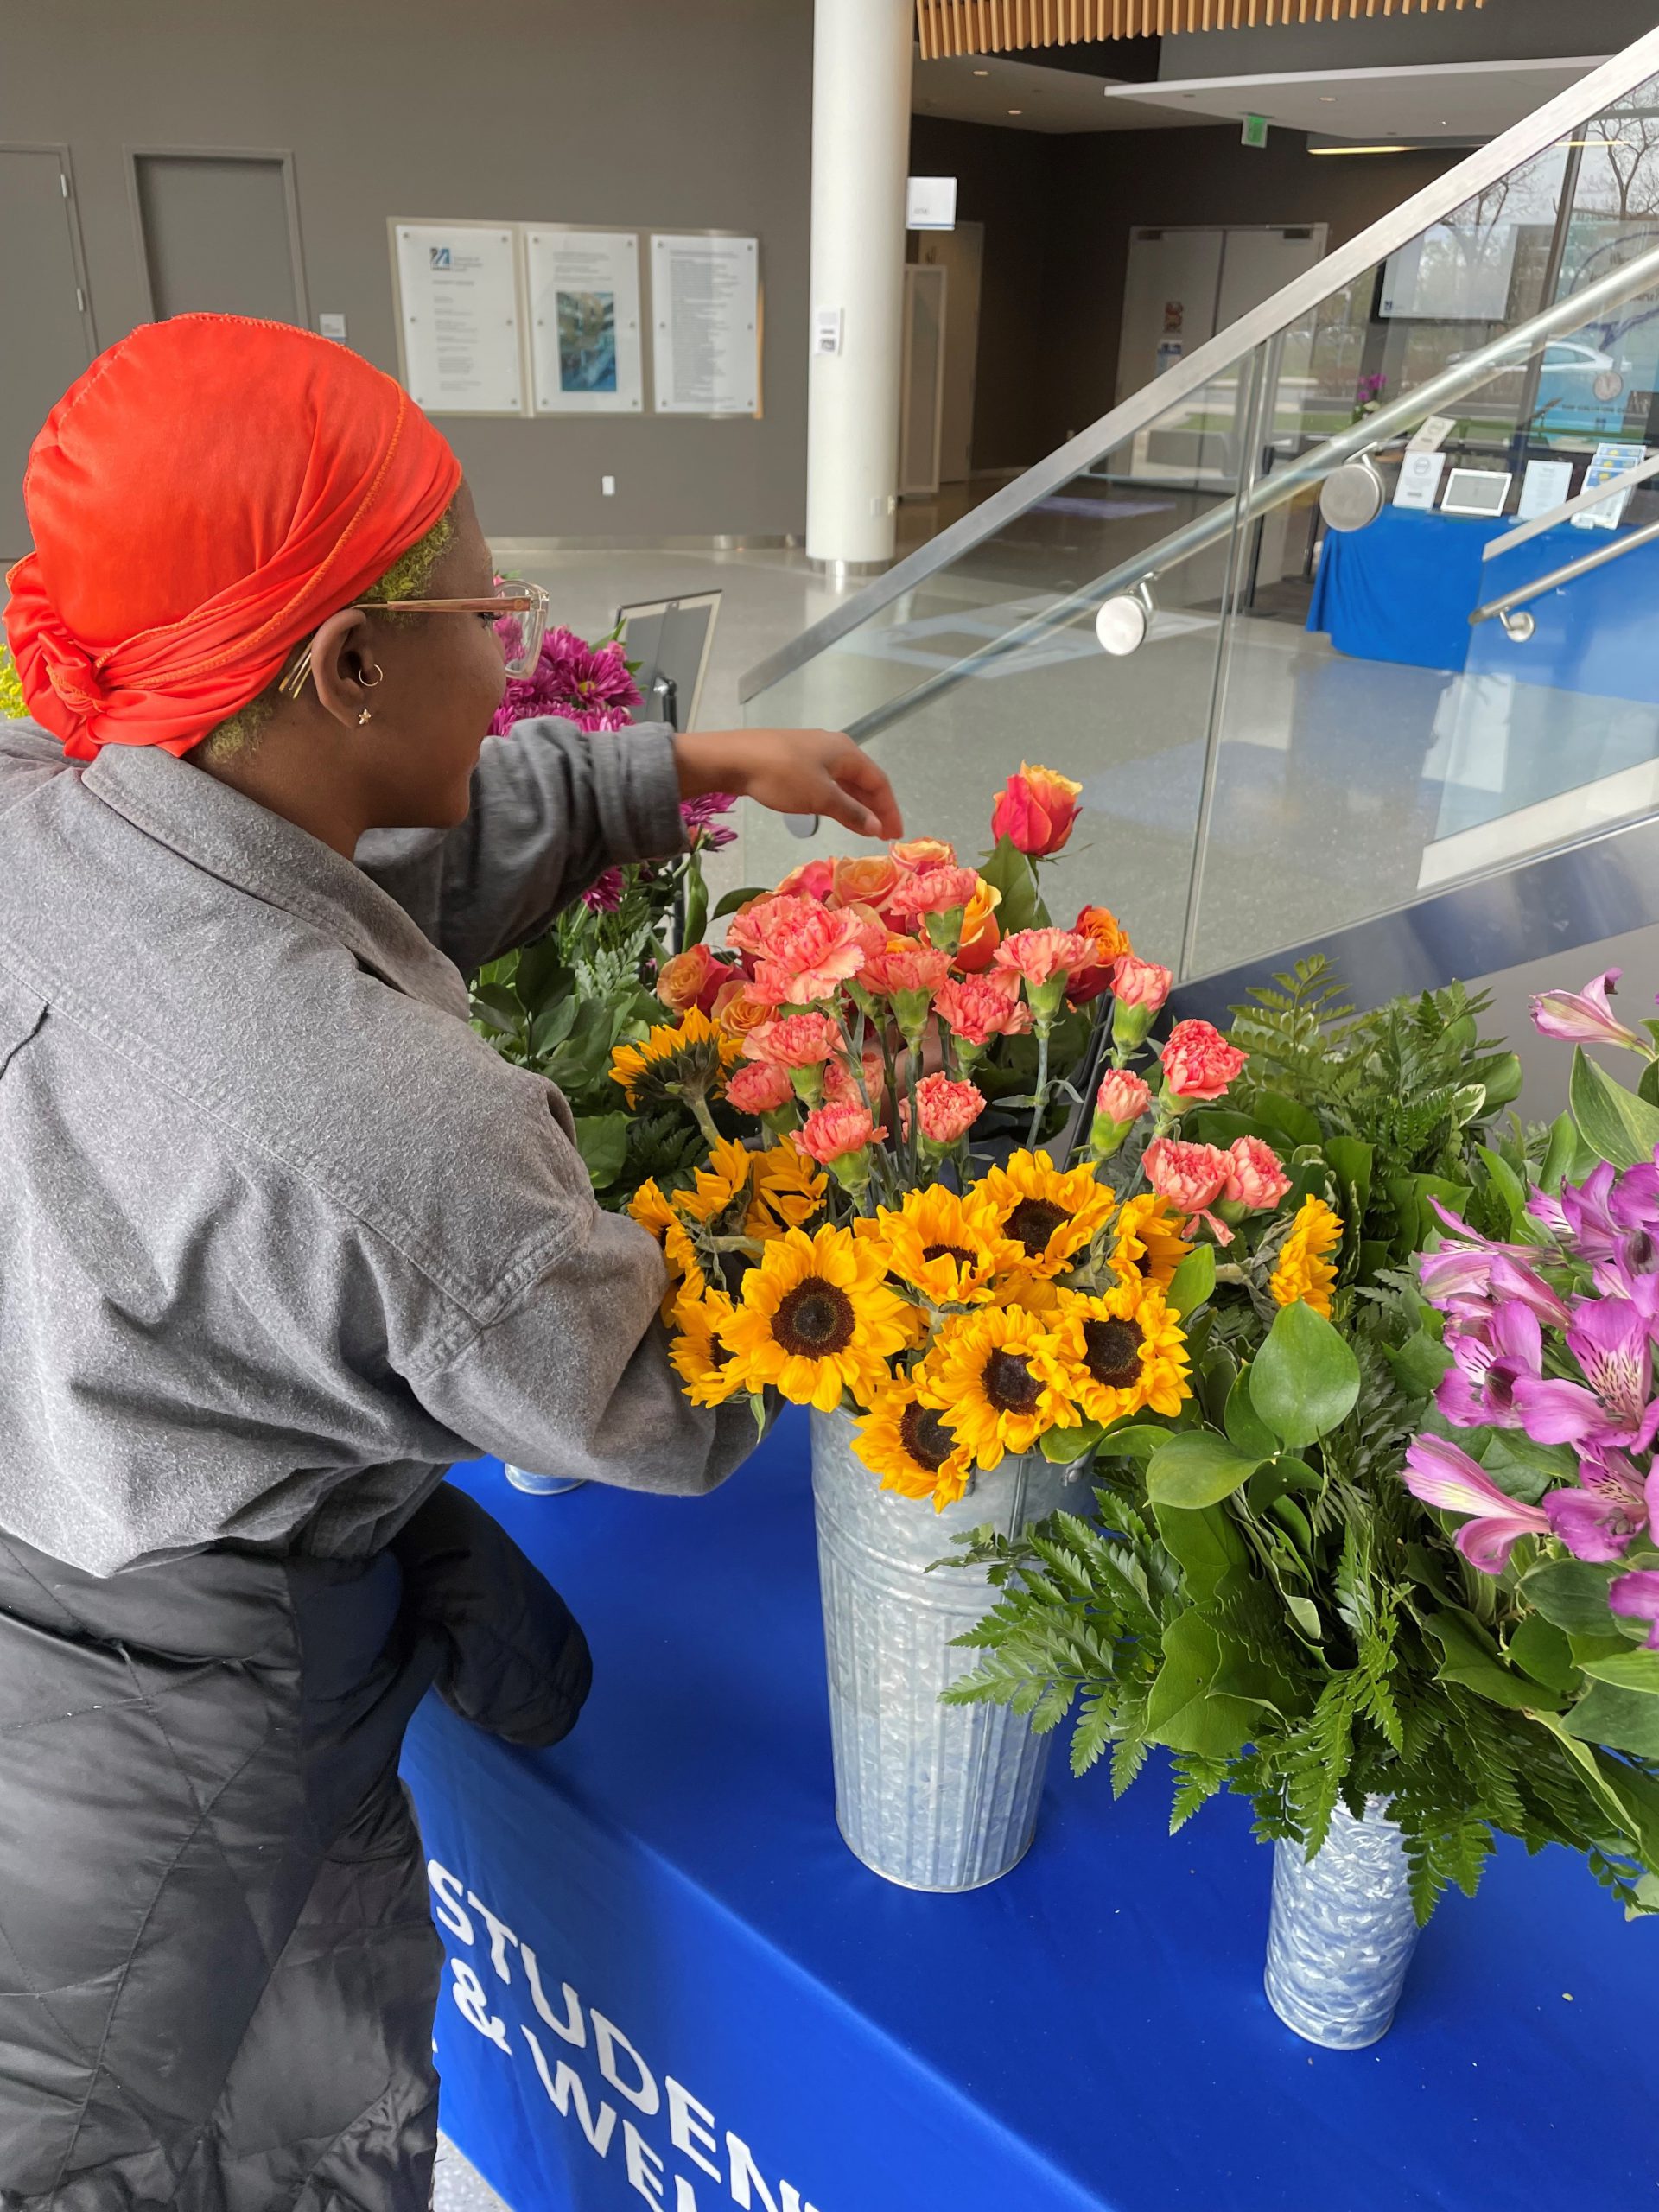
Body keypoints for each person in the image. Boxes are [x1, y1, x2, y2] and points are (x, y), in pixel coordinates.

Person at [0, 313, 901, 2212]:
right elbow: (643, 1407)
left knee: (299, 2030)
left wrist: (672, 767)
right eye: (489, 605)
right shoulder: (383, 1116)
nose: (513, 640)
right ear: (343, 663)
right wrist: (887, 1219)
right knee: (188, 2127)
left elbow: (329, 838)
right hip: (171, 1718)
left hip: (62, 1497)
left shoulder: (51, 791)